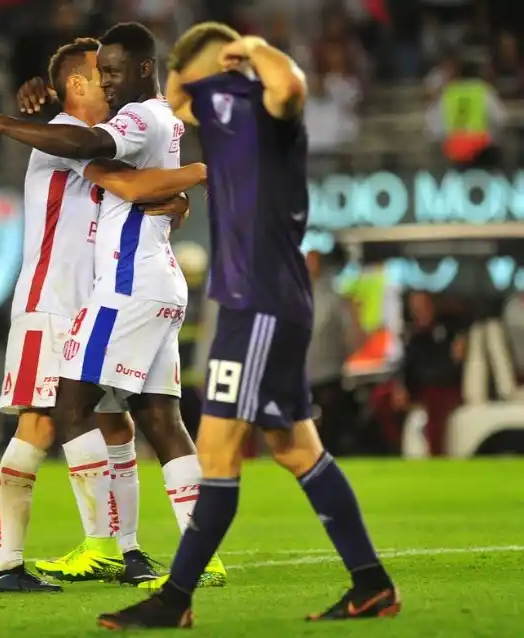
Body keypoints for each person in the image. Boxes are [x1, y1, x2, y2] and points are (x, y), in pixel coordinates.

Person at [97, 24, 400, 629]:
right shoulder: (212, 107)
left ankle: (174, 600)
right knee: (295, 448)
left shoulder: (266, 109)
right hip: (252, 302)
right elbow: (177, 91)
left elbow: (290, 86)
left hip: (261, 300)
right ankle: (372, 585)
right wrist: (194, 62)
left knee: (218, 452)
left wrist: (253, 48)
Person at [0, 23, 225, 589]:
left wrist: (170, 197)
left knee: (119, 424)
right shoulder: (64, 130)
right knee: (42, 424)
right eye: (101, 73)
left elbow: (134, 186)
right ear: (79, 84)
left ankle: (122, 550)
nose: (110, 78)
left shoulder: (106, 127)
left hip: (105, 297)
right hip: (53, 300)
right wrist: (185, 182)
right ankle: (9, 562)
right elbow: (116, 176)